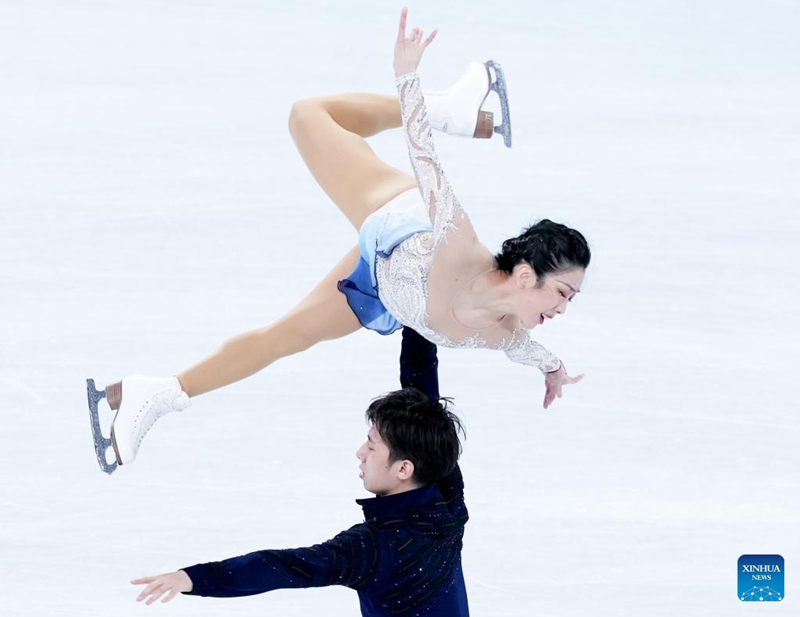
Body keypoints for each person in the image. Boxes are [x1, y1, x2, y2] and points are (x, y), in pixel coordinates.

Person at [87, 8, 591, 472]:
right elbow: (423, 156)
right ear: (526, 274)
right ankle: (451, 109)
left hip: (379, 287)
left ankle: (154, 392)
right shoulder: (460, 244)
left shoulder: (505, 334)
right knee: (307, 116)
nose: (564, 310)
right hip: (394, 219)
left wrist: (553, 371)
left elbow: (531, 352)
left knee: (284, 337)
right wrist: (407, 77)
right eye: (562, 294)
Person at [131, 328, 470, 617]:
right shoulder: (445, 494)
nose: (360, 453)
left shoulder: (373, 548)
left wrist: (193, 578)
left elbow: (281, 567)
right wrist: (418, 319)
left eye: (372, 445)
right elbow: (421, 386)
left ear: (403, 468)